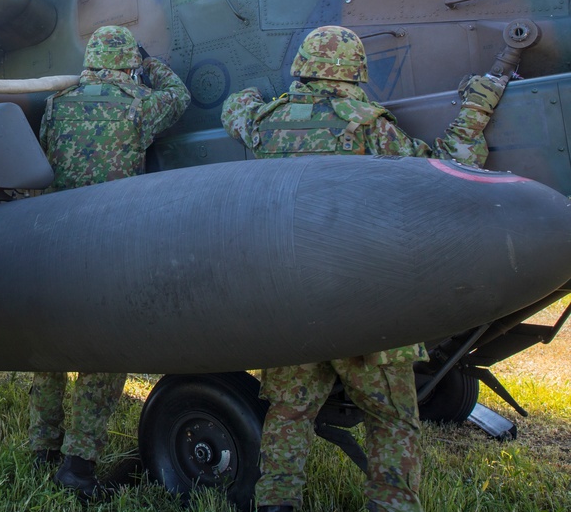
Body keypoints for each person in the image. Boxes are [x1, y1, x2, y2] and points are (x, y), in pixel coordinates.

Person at [220, 25, 511, 512]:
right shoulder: (368, 123)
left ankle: (276, 502)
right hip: (367, 296)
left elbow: (236, 111)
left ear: (303, 65)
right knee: (391, 418)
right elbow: (442, 172)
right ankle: (392, 504)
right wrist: (476, 108)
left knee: (289, 411)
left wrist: (250, 94)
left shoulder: (265, 121)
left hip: (294, 295)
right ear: (355, 70)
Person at [31, 25, 191, 500]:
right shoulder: (139, 105)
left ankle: (43, 449)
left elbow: (45, 153)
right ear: (125, 61)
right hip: (106, 245)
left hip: (54, 243)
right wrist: (150, 63)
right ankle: (77, 470)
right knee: (102, 360)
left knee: (50, 353)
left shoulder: (58, 105)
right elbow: (178, 95)